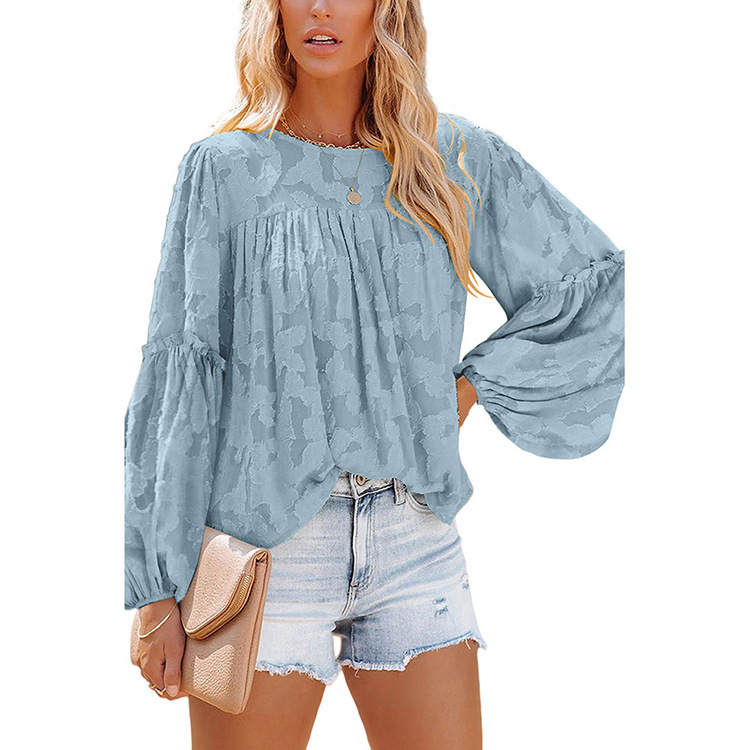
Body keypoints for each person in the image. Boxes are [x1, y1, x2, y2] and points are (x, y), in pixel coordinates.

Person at [124, 1, 626, 747]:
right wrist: (157, 588)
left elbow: (590, 279)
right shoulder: (226, 170)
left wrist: (470, 388)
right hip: (264, 549)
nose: (321, 8)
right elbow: (179, 374)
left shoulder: (451, 158)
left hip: (413, 535)